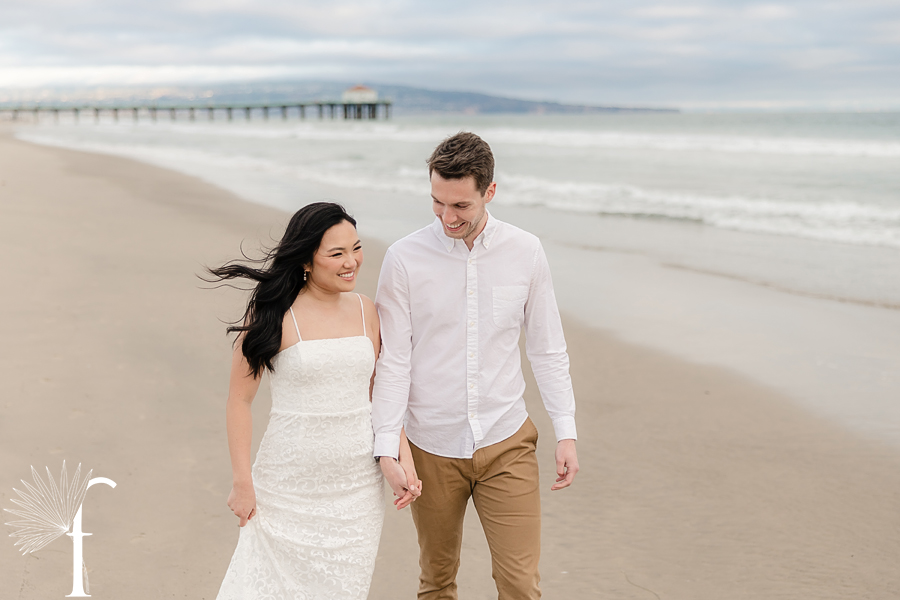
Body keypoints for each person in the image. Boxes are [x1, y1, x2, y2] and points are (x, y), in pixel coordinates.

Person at [372, 132, 580, 600]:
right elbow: (393, 361)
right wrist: (386, 444)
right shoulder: (404, 258)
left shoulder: (526, 251)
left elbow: (546, 348)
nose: (447, 217)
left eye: (460, 206)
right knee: (437, 582)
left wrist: (565, 430)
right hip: (430, 446)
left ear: (490, 191)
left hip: (506, 440)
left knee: (520, 584)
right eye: (437, 202)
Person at [207, 202, 421, 600]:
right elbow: (239, 401)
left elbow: (380, 395)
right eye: (336, 253)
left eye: (355, 248)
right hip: (287, 485)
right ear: (307, 259)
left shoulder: (367, 311)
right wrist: (242, 482)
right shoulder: (271, 314)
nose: (351, 262)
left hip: (357, 489)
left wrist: (399, 456)